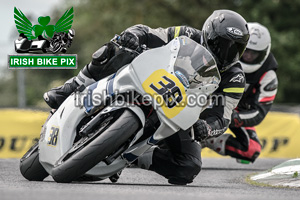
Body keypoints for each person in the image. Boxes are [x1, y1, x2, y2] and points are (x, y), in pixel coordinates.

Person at [43, 10, 250, 184]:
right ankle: (72, 86)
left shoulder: (235, 77)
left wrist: (207, 127)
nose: (226, 53)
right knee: (115, 50)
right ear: (208, 34)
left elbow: (223, 115)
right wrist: (134, 35)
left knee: (188, 166)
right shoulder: (187, 34)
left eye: (235, 49)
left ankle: (131, 157)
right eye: (221, 44)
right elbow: (151, 33)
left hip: (180, 114)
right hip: (148, 80)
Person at [202, 22, 278, 163]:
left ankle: (209, 139)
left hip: (237, 111)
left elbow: (259, 112)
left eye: (254, 53)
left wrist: (233, 117)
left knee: (251, 150)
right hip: (211, 101)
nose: (248, 56)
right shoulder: (221, 54)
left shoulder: (269, 75)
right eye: (246, 50)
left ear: (264, 52)